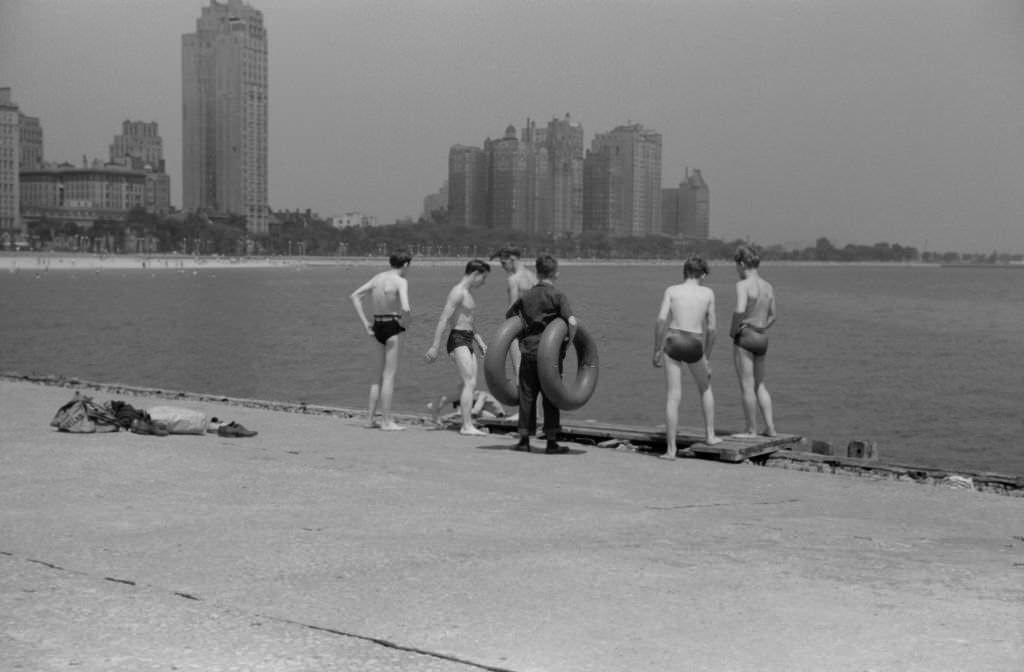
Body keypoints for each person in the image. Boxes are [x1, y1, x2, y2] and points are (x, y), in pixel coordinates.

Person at [653, 256, 723, 459]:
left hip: (673, 340)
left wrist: (656, 349)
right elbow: (712, 329)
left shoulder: (672, 290)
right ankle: (710, 435)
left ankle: (671, 450)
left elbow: (660, 321)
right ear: (702, 274)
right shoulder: (708, 293)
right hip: (694, 343)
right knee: (705, 388)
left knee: (673, 396)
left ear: (685, 272)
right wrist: (706, 358)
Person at [505, 255, 576, 454]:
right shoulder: (558, 296)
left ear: (537, 273)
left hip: (528, 353)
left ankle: (524, 441)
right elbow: (571, 322)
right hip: (550, 357)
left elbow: (509, 316)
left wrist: (522, 334)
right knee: (551, 397)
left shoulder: (525, 296)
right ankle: (551, 442)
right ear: (556, 273)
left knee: (527, 396)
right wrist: (567, 344)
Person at [424, 259, 492, 436]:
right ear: (475, 274)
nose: (484, 283)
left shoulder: (468, 293)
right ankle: (467, 425)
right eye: (483, 278)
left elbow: (469, 321)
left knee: (469, 385)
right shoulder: (457, 292)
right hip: (457, 339)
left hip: (468, 338)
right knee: (469, 383)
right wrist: (434, 346)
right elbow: (443, 319)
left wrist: (480, 342)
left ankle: (436, 405)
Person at [349, 250, 412, 430]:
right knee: (389, 376)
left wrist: (365, 323)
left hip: (376, 325)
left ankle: (370, 420)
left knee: (376, 377)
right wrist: (406, 323)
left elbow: (354, 296)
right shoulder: (401, 281)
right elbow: (406, 308)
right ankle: (386, 421)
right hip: (392, 326)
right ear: (406, 264)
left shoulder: (377, 278)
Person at [730, 245, 777, 437]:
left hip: (746, 335)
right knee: (760, 384)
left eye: (737, 266)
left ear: (742, 264)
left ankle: (751, 429)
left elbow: (740, 310)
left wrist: (734, 331)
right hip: (762, 337)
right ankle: (770, 427)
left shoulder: (742, 285)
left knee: (746, 385)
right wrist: (762, 328)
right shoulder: (768, 286)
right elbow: (773, 315)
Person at [491, 247, 537, 396]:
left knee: (518, 369)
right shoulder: (533, 277)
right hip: (536, 329)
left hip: (518, 330)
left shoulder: (513, 279)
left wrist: (505, 334)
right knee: (533, 373)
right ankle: (535, 414)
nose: (502, 267)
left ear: (512, 259)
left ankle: (522, 413)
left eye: (503, 263)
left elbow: (512, 310)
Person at [427, 389, 507, 426]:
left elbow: (475, 411)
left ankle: (437, 406)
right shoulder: (474, 397)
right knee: (463, 411)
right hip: (486, 415)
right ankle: (437, 406)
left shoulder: (482, 395)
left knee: (471, 412)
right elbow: (461, 411)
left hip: (497, 417)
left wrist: (450, 416)